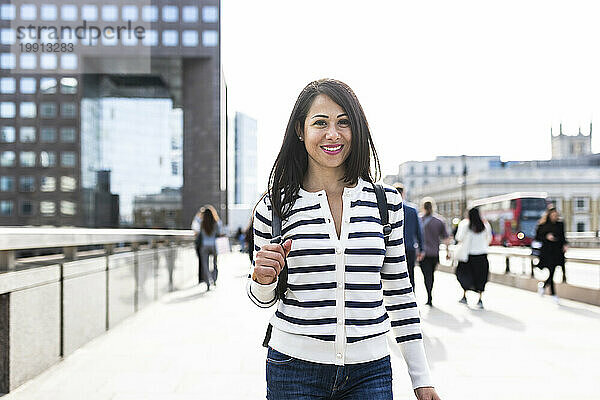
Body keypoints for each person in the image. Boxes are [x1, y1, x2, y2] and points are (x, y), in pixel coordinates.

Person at [246, 79, 440, 400]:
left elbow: (399, 292)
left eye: (344, 123)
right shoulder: (275, 205)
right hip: (293, 369)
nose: (333, 134)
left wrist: (421, 377)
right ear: (300, 130)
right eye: (320, 123)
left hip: (370, 370)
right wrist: (263, 279)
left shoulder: (386, 202)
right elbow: (261, 298)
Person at [454, 207, 492, 309]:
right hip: (482, 255)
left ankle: (464, 296)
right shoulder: (485, 225)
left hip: (468, 256)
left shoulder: (465, 224)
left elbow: (459, 238)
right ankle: (480, 299)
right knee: (480, 278)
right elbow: (489, 239)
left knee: (464, 276)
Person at [393, 182, 424, 291]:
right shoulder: (412, 210)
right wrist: (421, 248)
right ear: (403, 194)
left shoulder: (388, 209)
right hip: (410, 247)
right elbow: (418, 231)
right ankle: (411, 296)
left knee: (394, 275)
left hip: (393, 248)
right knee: (410, 274)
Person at [419, 197, 450, 306]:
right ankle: (430, 293)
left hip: (422, 254)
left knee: (426, 275)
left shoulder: (419, 219)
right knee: (431, 274)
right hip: (434, 253)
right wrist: (447, 251)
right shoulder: (439, 221)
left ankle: (429, 295)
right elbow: (446, 238)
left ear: (423, 207)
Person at [534, 206, 568, 303]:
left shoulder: (560, 224)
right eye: (553, 215)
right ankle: (553, 294)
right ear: (549, 215)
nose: (554, 216)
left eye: (556, 215)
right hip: (547, 252)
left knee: (553, 271)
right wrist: (546, 236)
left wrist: (565, 245)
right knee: (552, 271)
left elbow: (563, 236)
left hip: (557, 251)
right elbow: (537, 237)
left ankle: (543, 286)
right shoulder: (543, 225)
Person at [191, 205, 223, 290]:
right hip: (214, 246)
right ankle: (214, 279)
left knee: (205, 265)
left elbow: (195, 226)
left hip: (204, 246)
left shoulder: (201, 222)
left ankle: (208, 282)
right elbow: (219, 233)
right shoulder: (216, 222)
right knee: (215, 264)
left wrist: (200, 213)